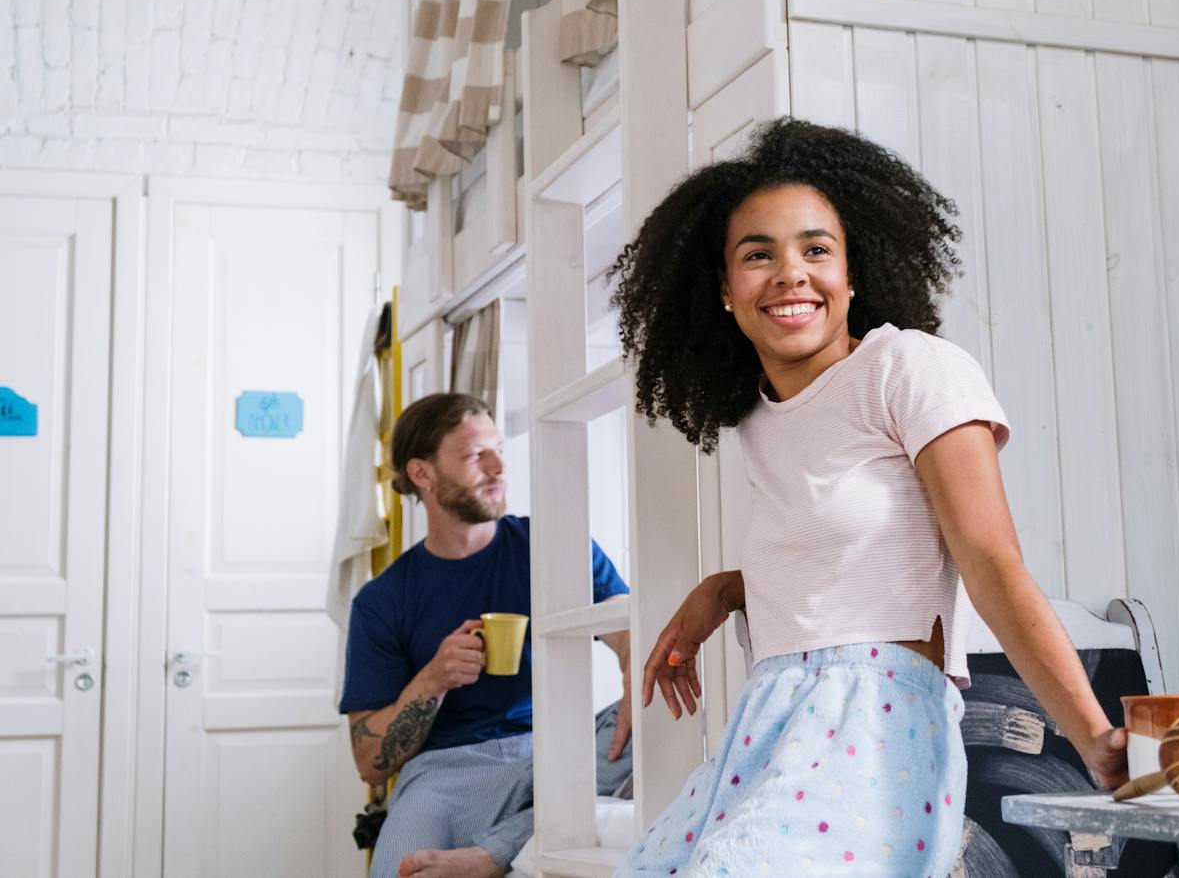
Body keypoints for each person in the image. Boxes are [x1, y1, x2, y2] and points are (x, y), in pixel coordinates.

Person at [607, 118, 1129, 877]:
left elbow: (988, 558)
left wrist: (1093, 737)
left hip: (877, 725)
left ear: (854, 273)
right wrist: (726, 589)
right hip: (768, 724)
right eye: (759, 255)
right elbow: (852, 563)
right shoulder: (757, 419)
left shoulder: (909, 369)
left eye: (816, 249)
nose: (790, 273)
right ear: (724, 289)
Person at [340, 393, 634, 878]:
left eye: (498, 449)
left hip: (551, 751)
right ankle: (512, 842)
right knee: (402, 870)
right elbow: (371, 764)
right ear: (423, 474)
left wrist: (631, 668)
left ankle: (488, 855)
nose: (500, 466)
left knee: (656, 716)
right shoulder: (383, 601)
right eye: (478, 454)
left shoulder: (551, 547)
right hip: (444, 776)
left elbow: (626, 629)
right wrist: (433, 679)